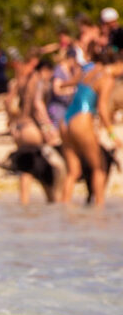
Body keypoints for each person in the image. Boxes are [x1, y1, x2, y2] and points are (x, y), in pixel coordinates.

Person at [60, 51, 122, 206]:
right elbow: (102, 108)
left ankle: (63, 209)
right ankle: (98, 210)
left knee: (73, 171)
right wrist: (112, 135)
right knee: (99, 167)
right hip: (81, 119)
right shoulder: (107, 79)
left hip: (66, 119)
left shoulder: (89, 69)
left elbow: (70, 83)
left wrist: (61, 84)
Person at [10, 57, 59, 204]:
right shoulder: (38, 82)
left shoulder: (23, 81)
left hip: (19, 128)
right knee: (42, 168)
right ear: (45, 70)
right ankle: (53, 202)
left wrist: (12, 121)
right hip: (31, 129)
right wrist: (48, 127)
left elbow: (9, 101)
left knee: (28, 168)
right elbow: (38, 104)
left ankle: (26, 204)